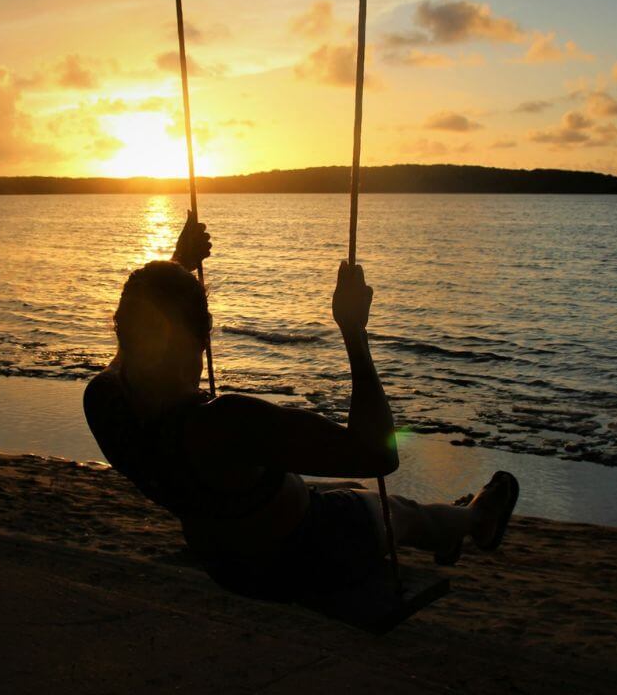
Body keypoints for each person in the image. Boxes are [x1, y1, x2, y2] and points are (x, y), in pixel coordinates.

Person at [84, 212, 519, 601]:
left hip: (224, 558)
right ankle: (476, 520)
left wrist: (179, 265)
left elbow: (136, 344)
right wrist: (354, 332)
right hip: (302, 557)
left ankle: (446, 532)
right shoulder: (224, 423)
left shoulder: (105, 399)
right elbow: (379, 455)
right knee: (395, 510)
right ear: (202, 336)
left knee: (349, 490)